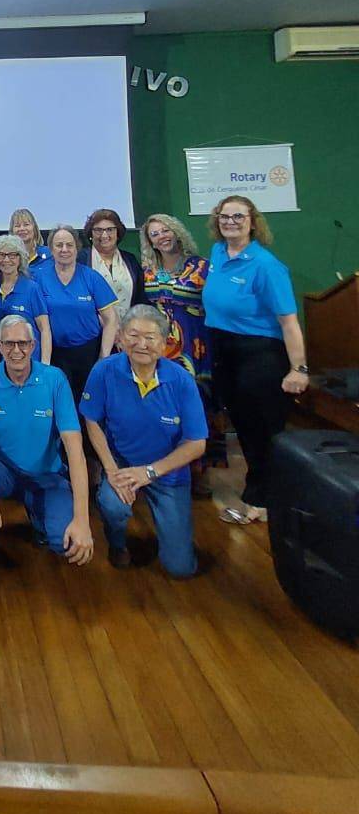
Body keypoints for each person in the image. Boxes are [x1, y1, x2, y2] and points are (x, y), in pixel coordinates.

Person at [0, 316, 94, 578]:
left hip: (47, 475)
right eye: (8, 344)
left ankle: (40, 517)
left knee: (68, 542)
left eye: (22, 344)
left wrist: (83, 520)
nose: (16, 351)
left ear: (33, 345)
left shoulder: (55, 380)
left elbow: (75, 451)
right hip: (2, 467)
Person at [202, 195, 308, 524]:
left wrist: (298, 369)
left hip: (258, 355)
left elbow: (289, 323)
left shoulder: (266, 265)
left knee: (264, 433)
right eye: (224, 215)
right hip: (225, 351)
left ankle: (264, 503)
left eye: (238, 216)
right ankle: (261, 497)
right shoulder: (219, 253)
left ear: (253, 221)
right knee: (245, 430)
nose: (230, 221)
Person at [80, 305, 207, 577]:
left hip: (168, 473)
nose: (141, 344)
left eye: (150, 338)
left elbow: (197, 443)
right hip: (123, 467)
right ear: (121, 339)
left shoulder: (182, 381)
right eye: (133, 335)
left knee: (180, 568)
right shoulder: (103, 371)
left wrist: (150, 472)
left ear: (164, 343)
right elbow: (92, 421)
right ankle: (116, 543)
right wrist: (111, 471)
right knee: (112, 505)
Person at [140, 213, 224, 487]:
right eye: (154, 234)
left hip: (195, 346)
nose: (161, 237)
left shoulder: (201, 267)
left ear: (176, 232)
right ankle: (167, 467)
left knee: (197, 404)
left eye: (165, 230)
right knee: (164, 406)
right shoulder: (148, 270)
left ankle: (199, 471)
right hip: (159, 348)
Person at [36, 225, 119, 399]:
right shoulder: (39, 278)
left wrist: (103, 357)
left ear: (76, 247)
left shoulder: (91, 277)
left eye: (69, 245)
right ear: (51, 249)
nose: (64, 249)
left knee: (89, 404)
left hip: (88, 353)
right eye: (59, 245)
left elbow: (111, 319)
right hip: (55, 354)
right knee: (59, 404)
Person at [0, 234, 52, 364]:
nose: (6, 259)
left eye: (12, 255)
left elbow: (45, 329)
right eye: (2, 255)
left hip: (30, 361)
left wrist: (45, 365)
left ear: (20, 259)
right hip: (1, 362)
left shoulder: (32, 289)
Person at [79, 208, 146, 319]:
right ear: (91, 234)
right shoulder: (80, 260)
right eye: (98, 230)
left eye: (110, 229)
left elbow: (140, 298)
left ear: (118, 233)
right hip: (94, 332)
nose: (104, 235)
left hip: (128, 331)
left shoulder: (130, 260)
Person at [9, 208, 50, 276]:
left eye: (26, 224)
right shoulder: (7, 259)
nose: (22, 229)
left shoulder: (49, 254)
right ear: (12, 231)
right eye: (17, 226)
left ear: (34, 228)